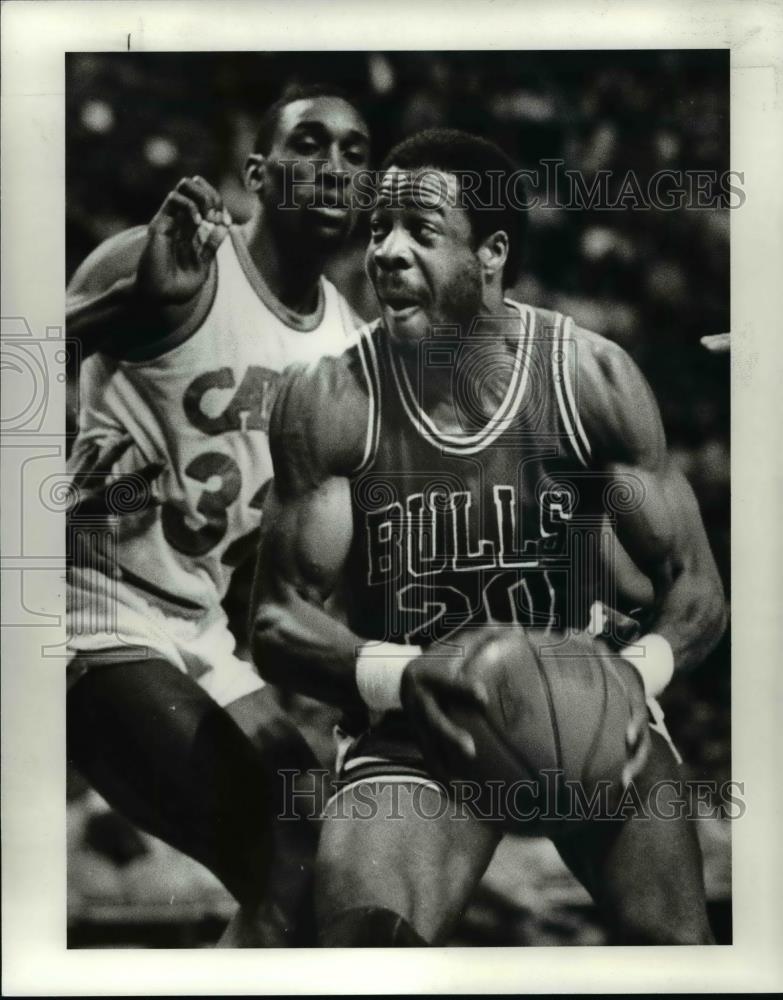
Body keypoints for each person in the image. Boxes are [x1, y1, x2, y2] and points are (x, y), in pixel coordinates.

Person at [249, 128, 728, 946]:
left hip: (587, 711)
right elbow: (276, 622)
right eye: (379, 230)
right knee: (363, 952)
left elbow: (696, 589)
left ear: (491, 252)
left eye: (421, 233)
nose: (388, 253)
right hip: (414, 734)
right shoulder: (330, 399)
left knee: (679, 956)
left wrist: (633, 673)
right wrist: (410, 677)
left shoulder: (588, 377)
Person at [65, 83, 371, 946]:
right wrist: (118, 308)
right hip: (82, 601)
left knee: (319, 861)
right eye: (308, 143)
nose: (331, 166)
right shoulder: (167, 260)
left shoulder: (346, 350)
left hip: (197, 627)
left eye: (354, 152)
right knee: (281, 848)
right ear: (258, 173)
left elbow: (303, 557)